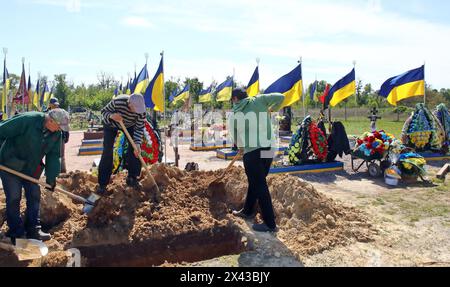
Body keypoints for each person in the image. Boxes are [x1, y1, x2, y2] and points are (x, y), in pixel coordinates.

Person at [0, 109, 70, 244]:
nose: (60, 130)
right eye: (59, 126)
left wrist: (51, 179)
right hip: (10, 165)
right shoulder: (28, 120)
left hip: (31, 168)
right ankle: (16, 231)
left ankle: (34, 229)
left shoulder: (56, 134)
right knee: (14, 197)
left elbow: (54, 156)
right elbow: (2, 130)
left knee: (34, 195)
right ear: (50, 120)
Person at [229, 88, 285, 233]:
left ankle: (270, 224)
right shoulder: (259, 100)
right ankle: (247, 211)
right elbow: (280, 96)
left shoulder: (234, 115)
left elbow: (235, 137)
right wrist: (272, 110)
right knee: (256, 181)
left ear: (235, 99)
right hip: (269, 148)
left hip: (252, 152)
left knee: (259, 184)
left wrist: (241, 147)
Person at [97, 94, 146, 195]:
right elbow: (103, 112)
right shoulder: (117, 102)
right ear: (129, 104)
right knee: (107, 150)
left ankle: (132, 177)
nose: (137, 111)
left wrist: (137, 143)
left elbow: (139, 127)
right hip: (111, 124)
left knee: (135, 150)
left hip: (130, 126)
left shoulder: (141, 111)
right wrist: (111, 116)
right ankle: (102, 184)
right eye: (135, 109)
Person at [45, 98, 70, 173]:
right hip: (49, 136)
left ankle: (62, 171)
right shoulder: (47, 113)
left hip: (60, 135)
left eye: (56, 105)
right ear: (50, 105)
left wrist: (66, 137)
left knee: (61, 155)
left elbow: (66, 125)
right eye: (54, 105)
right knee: (50, 154)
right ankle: (50, 172)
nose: (55, 106)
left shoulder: (63, 112)